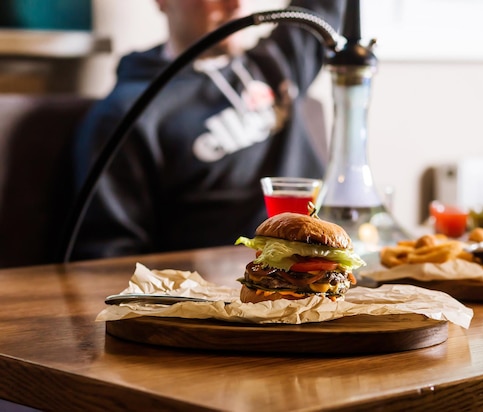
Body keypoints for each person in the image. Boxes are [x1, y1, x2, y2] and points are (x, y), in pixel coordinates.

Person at [71, 0, 344, 260]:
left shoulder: (274, 63)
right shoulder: (126, 115)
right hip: (221, 291)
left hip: (324, 265)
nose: (235, 4)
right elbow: (109, 254)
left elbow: (323, 7)